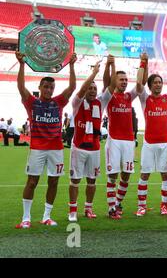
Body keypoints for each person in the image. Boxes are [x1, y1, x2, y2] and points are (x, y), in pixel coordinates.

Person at [15, 50, 77, 229]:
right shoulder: (32, 102)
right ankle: (26, 218)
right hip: (37, 148)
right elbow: (20, 87)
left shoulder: (58, 102)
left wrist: (72, 65)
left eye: (51, 88)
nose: (49, 90)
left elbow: (72, 88)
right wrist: (21, 64)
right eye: (46, 87)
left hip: (56, 149)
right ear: (40, 88)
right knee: (32, 181)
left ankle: (46, 216)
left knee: (54, 181)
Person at [135, 53, 167, 216]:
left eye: (160, 82)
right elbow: (138, 84)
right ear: (150, 86)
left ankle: (164, 206)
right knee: (144, 174)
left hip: (165, 143)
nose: (158, 85)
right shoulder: (145, 99)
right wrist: (144, 62)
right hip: (149, 143)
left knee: (165, 175)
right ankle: (141, 206)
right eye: (155, 83)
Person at [67, 56, 116, 222]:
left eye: (95, 89)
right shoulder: (77, 102)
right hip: (78, 148)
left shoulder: (100, 102)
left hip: (94, 149)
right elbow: (81, 90)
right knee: (75, 180)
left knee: (92, 180)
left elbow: (111, 86)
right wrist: (94, 73)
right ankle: (72, 210)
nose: (93, 91)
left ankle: (88, 208)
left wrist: (110, 65)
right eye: (90, 88)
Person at [103, 56, 139, 219]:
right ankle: (111, 209)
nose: (124, 82)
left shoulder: (128, 97)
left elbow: (140, 85)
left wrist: (143, 63)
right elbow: (106, 82)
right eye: (121, 79)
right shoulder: (109, 97)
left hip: (129, 141)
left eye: (126, 80)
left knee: (126, 175)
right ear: (114, 81)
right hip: (114, 140)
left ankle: (117, 203)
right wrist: (111, 65)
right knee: (113, 175)